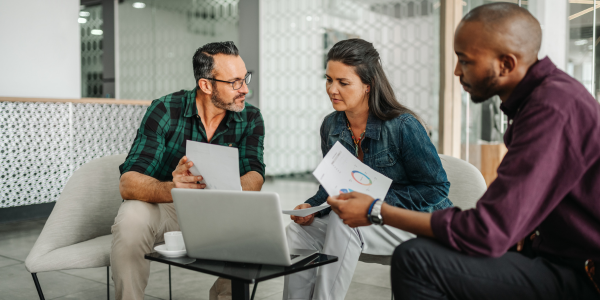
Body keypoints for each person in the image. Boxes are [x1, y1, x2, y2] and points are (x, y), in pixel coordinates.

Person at [328, 3, 600, 300]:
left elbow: (487, 231)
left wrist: (375, 210)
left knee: (416, 260)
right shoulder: (541, 100)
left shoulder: (552, 109)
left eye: (465, 61)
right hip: (548, 253)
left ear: (506, 64)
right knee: (433, 249)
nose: (457, 71)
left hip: (582, 273)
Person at [283, 39, 452, 300]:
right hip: (369, 222)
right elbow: (332, 184)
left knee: (344, 220)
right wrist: (310, 205)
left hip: (413, 222)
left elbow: (437, 188)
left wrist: (373, 204)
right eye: (329, 79)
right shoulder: (331, 126)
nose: (332, 89)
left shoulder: (403, 126)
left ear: (367, 86)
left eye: (343, 82)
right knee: (297, 233)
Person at [112, 41, 265, 300]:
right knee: (131, 217)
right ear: (206, 85)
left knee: (258, 224)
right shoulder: (164, 110)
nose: (245, 90)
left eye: (245, 78)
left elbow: (256, 174)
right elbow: (128, 183)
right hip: (168, 205)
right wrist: (172, 188)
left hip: (220, 208)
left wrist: (228, 189)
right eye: (235, 82)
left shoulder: (251, 117)